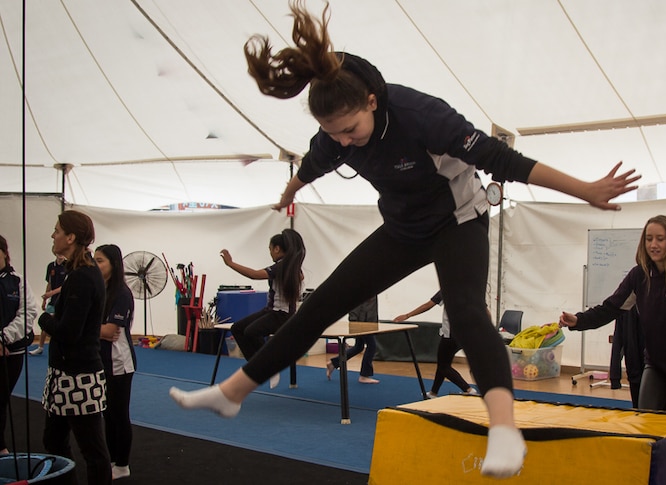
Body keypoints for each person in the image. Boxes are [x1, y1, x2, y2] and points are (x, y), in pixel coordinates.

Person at [168, 1, 638, 478]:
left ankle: (504, 431)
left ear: (372, 99)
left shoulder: (422, 115)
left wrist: (585, 190)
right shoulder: (335, 133)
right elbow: (315, 162)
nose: (345, 142)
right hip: (402, 229)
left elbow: (504, 160)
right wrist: (291, 187)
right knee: (321, 304)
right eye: (335, 134)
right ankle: (232, 394)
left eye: (350, 130)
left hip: (458, 221)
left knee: (467, 311)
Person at [559, 215, 666, 415]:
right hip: (657, 365)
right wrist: (578, 320)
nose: (653, 244)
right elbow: (610, 308)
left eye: (660, 239)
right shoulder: (639, 276)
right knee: (646, 423)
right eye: (648, 238)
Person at [38, 210, 112, 485]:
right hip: (65, 373)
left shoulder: (83, 276)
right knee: (54, 439)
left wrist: (42, 316)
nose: (53, 235)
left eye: (57, 230)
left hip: (78, 377)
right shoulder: (76, 272)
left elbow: (69, 332)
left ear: (70, 237)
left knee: (92, 450)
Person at [220, 229, 306, 388]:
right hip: (271, 310)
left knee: (251, 332)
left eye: (270, 249)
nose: (270, 253)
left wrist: (231, 263)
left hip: (281, 315)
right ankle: (258, 367)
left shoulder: (281, 266)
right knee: (237, 328)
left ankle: (269, 366)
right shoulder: (290, 266)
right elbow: (301, 276)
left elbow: (254, 275)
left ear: (277, 249)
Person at [94, 244, 137, 480]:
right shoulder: (100, 289)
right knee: (107, 414)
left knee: (119, 414)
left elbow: (111, 330)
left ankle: (122, 464)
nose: (95, 265)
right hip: (99, 359)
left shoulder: (121, 293)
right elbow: (99, 329)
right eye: (94, 260)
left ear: (114, 264)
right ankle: (112, 459)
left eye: (100, 261)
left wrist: (85, 327)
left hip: (119, 362)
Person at [393, 291, 479, 397]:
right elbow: (485, 311)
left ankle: (468, 389)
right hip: (466, 334)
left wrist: (407, 315)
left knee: (443, 366)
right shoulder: (472, 290)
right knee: (443, 363)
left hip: (451, 335)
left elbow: (428, 305)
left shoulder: (447, 290)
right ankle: (434, 392)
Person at [0, 234, 38, 455]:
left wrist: (3, 338)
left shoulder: (17, 281)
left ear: (5, 253)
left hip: (11, 352)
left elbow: (27, 313)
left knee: (1, 399)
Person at [327, 296, 380, 384]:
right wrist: (354, 322)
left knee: (358, 347)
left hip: (368, 322)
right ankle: (364, 376)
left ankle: (334, 362)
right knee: (372, 346)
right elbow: (354, 304)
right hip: (362, 323)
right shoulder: (362, 287)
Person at [30, 252, 66, 355]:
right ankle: (40, 347)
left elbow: (65, 286)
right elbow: (49, 283)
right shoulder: (51, 266)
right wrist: (44, 300)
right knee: (45, 323)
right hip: (52, 300)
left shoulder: (68, 266)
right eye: (59, 253)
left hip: (63, 301)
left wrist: (51, 293)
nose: (60, 255)